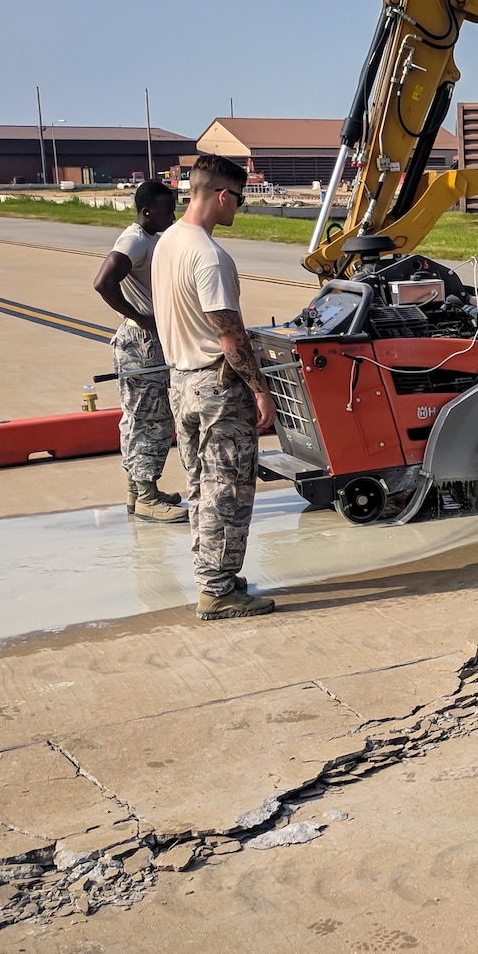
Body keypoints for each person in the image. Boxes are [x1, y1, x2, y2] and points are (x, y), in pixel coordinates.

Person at [151, 153, 279, 621]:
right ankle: (218, 591)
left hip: (180, 382)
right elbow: (228, 333)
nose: (237, 209)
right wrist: (259, 387)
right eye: (239, 200)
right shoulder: (209, 255)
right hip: (215, 387)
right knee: (228, 487)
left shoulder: (168, 242)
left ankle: (213, 574)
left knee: (201, 486)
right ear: (223, 195)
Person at [93, 179, 186, 524]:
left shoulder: (149, 238)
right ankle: (147, 497)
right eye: (167, 209)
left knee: (136, 419)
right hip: (142, 345)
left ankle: (138, 491)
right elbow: (103, 281)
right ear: (147, 212)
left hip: (139, 343)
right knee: (153, 420)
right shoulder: (134, 240)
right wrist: (142, 317)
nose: (172, 215)